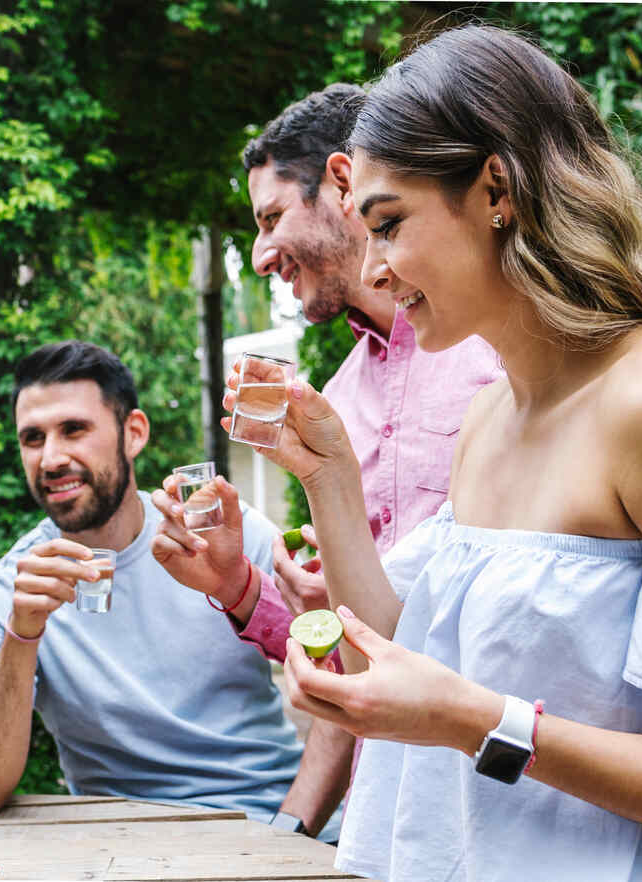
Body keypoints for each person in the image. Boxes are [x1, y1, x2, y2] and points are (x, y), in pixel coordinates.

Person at [211, 25, 642, 881]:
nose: (374, 266)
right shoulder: (492, 419)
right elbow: (420, 651)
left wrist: (478, 722)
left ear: (496, 189)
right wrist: (327, 474)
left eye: (389, 223)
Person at [0, 341, 343, 840]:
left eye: (74, 430)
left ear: (133, 433)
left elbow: (344, 678)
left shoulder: (220, 537)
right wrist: (22, 634)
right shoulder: (5, 592)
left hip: (272, 824)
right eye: (32, 438)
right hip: (122, 849)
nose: (51, 458)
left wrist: (289, 833)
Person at [172, 84, 501, 657]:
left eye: (273, 217)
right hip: (390, 740)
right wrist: (236, 585)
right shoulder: (339, 397)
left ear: (342, 184)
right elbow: (357, 641)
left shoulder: (498, 341)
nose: (259, 255)